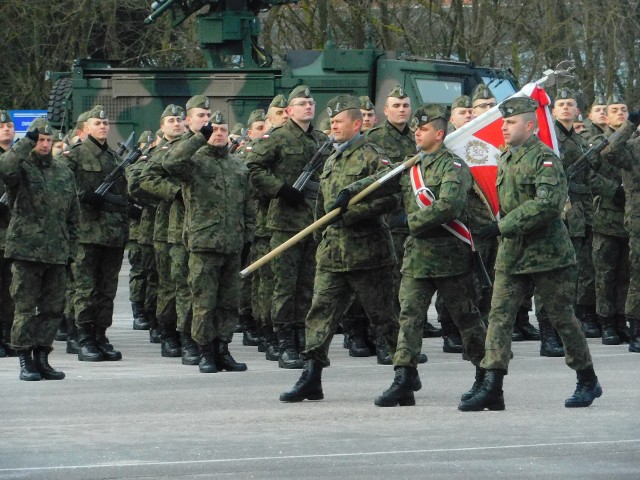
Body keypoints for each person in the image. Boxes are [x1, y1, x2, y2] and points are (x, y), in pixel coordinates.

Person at [335, 104, 487, 407]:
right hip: (417, 259)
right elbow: (382, 181)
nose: (417, 132)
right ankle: (404, 377)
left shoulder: (452, 167)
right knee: (409, 318)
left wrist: (411, 221)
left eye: (424, 129)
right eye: (416, 128)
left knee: (466, 319)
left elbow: (449, 206)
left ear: (439, 134)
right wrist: (349, 192)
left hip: (449, 259)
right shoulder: (412, 165)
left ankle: (486, 375)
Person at [458, 97, 601, 411]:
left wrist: (503, 226)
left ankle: (587, 379)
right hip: (513, 254)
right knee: (499, 318)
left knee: (562, 318)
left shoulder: (546, 159)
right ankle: (493, 386)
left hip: (548, 254)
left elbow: (548, 205)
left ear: (530, 126)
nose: (504, 128)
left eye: (510, 123)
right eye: (504, 122)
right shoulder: (507, 156)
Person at [279, 95, 400, 402]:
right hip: (333, 254)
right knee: (319, 315)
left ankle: (405, 374)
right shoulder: (331, 158)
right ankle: (311, 376)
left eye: (338, 122)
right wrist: (322, 235)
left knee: (385, 317)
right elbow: (323, 205)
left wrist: (352, 213)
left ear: (357, 124)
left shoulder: (374, 156)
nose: (332, 126)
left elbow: (391, 198)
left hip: (368, 254)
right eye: (330, 122)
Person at [159, 111, 255, 373]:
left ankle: (223, 348)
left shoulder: (239, 166)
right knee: (203, 301)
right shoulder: (195, 162)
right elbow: (170, 161)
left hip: (233, 244)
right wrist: (198, 138)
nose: (219, 133)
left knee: (229, 302)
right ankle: (204, 351)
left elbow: (248, 206)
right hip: (203, 244)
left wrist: (247, 239)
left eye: (224, 129)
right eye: (214, 129)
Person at [247, 85, 329, 369]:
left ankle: (303, 336)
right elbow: (253, 167)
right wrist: (280, 189)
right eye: (302, 103)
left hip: (315, 221)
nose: (308, 107)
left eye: (311, 102)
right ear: (289, 110)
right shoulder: (277, 138)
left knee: (308, 284)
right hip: (285, 223)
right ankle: (283, 341)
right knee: (285, 285)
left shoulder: (321, 140)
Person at [0, 118, 79, 380]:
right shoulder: (21, 168)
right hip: (26, 251)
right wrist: (25, 142)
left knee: (53, 309)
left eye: (48, 141)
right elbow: (5, 167)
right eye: (40, 140)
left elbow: (73, 215)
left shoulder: (63, 172)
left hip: (56, 252)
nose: (44, 145)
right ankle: (24, 358)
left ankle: (42, 357)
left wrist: (72, 249)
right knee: (24, 307)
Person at [365, 85, 433, 362]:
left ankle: (407, 344)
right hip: (389, 219)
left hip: (415, 219)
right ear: (385, 110)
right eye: (396, 105)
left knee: (411, 287)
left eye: (405, 105)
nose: (402, 110)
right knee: (387, 285)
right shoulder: (374, 138)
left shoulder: (419, 137)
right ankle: (384, 340)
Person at [63, 105, 128, 362]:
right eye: (97, 123)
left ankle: (101, 335)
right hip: (87, 234)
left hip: (112, 235)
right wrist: (84, 198)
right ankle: (84, 337)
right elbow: (63, 188)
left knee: (107, 290)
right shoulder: (75, 155)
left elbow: (121, 198)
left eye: (105, 123)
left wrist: (124, 230)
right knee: (85, 289)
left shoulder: (113, 158)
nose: (102, 126)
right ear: (86, 128)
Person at [140, 100, 202, 365]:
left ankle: (189, 335)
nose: (177, 124)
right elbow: (143, 180)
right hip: (168, 228)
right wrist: (174, 192)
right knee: (170, 285)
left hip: (196, 228)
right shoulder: (162, 151)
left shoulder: (197, 149)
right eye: (172, 121)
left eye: (180, 120)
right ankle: (168, 332)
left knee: (192, 285)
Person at [552, 88, 599, 337]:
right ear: (553, 111)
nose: (566, 108)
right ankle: (560, 321)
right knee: (563, 270)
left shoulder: (581, 140)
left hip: (582, 210)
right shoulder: (550, 139)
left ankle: (579, 315)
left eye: (570, 104)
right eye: (561, 104)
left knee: (582, 268)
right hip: (562, 211)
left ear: (578, 111)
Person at [594, 94, 640, 352]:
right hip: (634, 221)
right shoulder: (633, 148)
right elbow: (610, 151)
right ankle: (633, 328)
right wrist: (631, 124)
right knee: (632, 276)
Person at [0, 110, 16, 358]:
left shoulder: (19, 158)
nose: (6, 129)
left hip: (15, 235)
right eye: (1, 125)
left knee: (11, 290)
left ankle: (7, 337)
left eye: (9, 125)